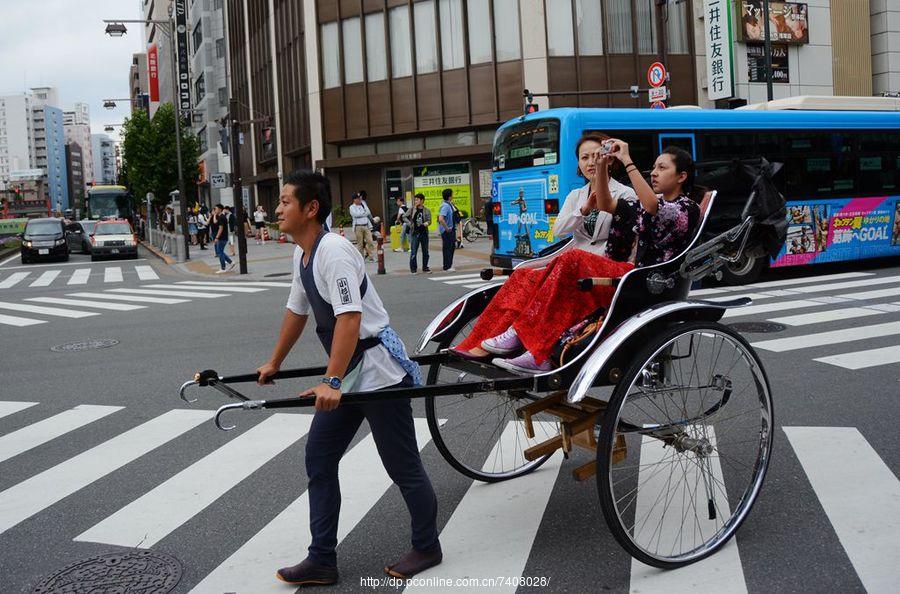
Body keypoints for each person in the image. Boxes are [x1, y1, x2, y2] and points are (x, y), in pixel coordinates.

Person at [255, 170, 441, 586]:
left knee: (402, 466)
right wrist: (274, 362)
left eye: (285, 201)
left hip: (377, 371)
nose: (277, 209)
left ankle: (427, 545)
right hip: (349, 373)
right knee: (319, 459)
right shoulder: (302, 254)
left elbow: (350, 318)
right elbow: (296, 311)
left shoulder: (334, 251)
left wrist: (332, 382)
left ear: (310, 208)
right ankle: (322, 558)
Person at [453, 140, 701, 374]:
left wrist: (627, 159)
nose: (654, 172)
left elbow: (651, 208)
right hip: (620, 271)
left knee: (572, 260)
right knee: (526, 273)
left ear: (682, 176)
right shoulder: (592, 195)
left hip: (641, 279)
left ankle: (530, 343)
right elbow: (606, 205)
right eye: (654, 167)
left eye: (662, 167)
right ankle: (488, 340)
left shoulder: (685, 208)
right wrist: (602, 168)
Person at [348, 193, 376, 262]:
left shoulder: (363, 205)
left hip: (366, 225)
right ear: (354, 200)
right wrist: (363, 214)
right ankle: (361, 258)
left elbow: (368, 212)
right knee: (360, 243)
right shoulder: (352, 207)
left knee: (370, 241)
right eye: (358, 199)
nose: (359, 200)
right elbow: (355, 215)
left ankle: (371, 257)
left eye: (360, 198)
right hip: (358, 227)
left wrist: (363, 214)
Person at [409, 193, 432, 274]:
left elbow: (430, 220)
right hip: (415, 233)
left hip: (424, 233)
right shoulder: (412, 209)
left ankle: (425, 267)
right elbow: (404, 216)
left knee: (425, 251)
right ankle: (413, 269)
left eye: (417, 199)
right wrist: (410, 224)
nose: (416, 201)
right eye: (415, 200)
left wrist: (427, 223)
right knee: (414, 251)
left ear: (422, 200)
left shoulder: (427, 210)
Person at [212, 204, 236, 273]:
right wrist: (213, 215)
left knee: (220, 253)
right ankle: (231, 262)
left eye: (215, 209)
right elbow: (215, 222)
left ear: (219, 209)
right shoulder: (220, 216)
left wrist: (217, 237)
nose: (215, 210)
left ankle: (223, 268)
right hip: (223, 237)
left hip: (222, 237)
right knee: (220, 252)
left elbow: (221, 228)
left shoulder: (222, 217)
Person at [438, 188, 457, 271]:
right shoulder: (445, 206)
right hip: (447, 231)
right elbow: (441, 218)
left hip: (450, 229)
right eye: (452, 194)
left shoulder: (448, 204)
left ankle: (448, 265)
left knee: (451, 247)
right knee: (448, 248)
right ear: (449, 196)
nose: (453, 196)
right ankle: (447, 266)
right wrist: (447, 228)